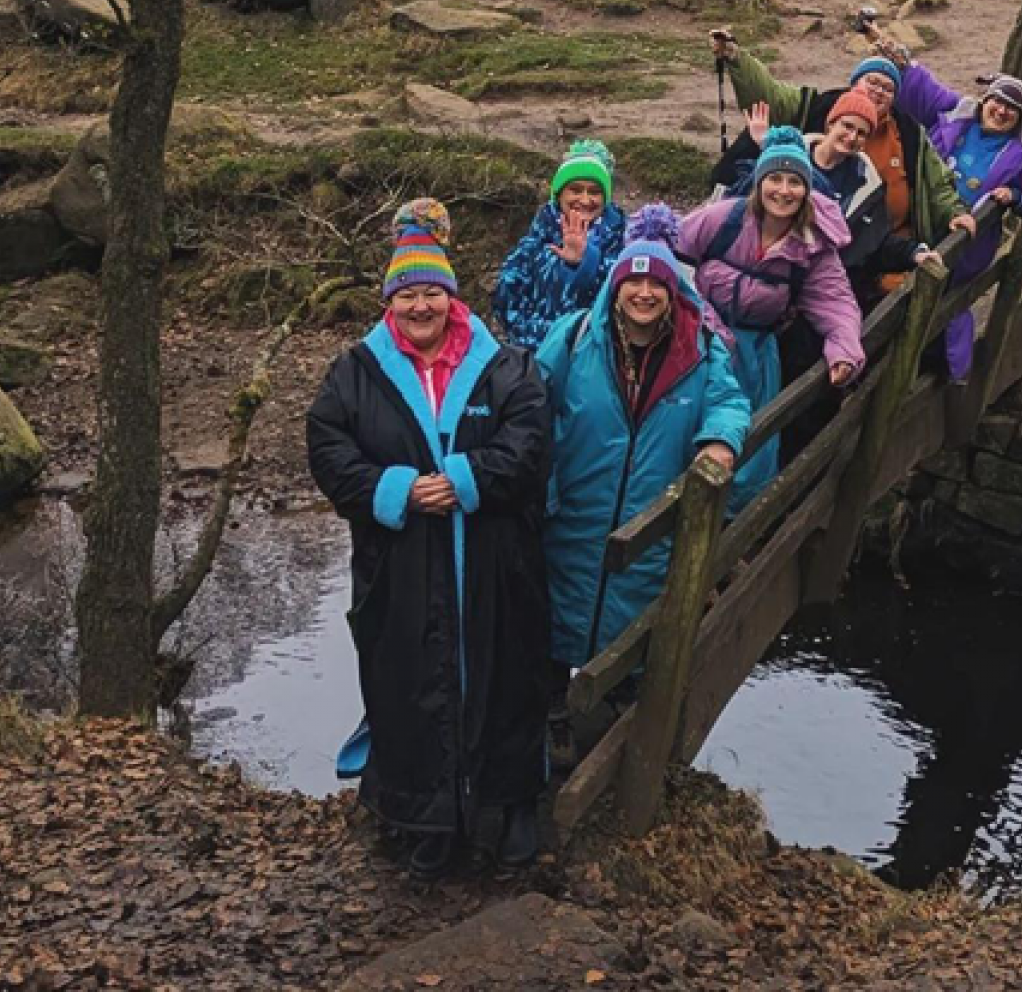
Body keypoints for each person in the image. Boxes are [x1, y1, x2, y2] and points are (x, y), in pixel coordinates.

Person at [307, 199, 550, 880]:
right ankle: (425, 818)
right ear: (391, 302)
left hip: (495, 566)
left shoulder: (505, 367)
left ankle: (508, 810)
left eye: (432, 294)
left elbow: (531, 441)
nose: (421, 307)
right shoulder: (355, 373)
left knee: (504, 681)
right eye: (408, 295)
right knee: (409, 688)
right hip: (400, 564)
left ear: (451, 297)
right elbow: (328, 448)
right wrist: (396, 492)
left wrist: (469, 478)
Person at [539, 205, 750, 677]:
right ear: (616, 286)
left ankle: (614, 704)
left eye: (657, 283)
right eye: (633, 282)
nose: (644, 292)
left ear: (673, 290)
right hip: (573, 517)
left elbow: (729, 403)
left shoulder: (701, 349)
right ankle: (554, 716)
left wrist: (719, 441)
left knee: (630, 629)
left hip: (650, 522)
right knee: (554, 627)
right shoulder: (574, 337)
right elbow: (530, 402)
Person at [679, 127, 864, 504]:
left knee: (749, 450)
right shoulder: (722, 219)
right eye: (774, 179)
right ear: (759, 183)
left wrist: (844, 350)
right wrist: (702, 321)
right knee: (685, 434)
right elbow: (671, 256)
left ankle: (732, 537)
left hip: (755, 358)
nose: (783, 190)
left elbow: (835, 302)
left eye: (794, 181)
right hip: (695, 343)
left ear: (807, 190)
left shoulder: (812, 245)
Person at [710, 31, 974, 288]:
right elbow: (771, 95)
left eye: (888, 88)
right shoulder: (819, 107)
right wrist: (737, 59)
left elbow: (938, 183)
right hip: (805, 243)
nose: (879, 91)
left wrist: (955, 213)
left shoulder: (909, 133)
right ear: (853, 84)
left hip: (882, 245)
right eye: (872, 81)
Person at [923, 74, 1022, 383]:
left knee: (946, 301)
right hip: (922, 226)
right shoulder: (955, 121)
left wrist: (1015, 196)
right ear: (985, 102)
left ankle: (951, 372)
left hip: (968, 246)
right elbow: (923, 86)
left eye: (1012, 108)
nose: (1001, 110)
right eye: (997, 101)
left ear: (1020, 118)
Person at [492, 138, 627, 350]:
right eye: (575, 189)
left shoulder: (621, 242)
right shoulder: (535, 242)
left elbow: (622, 299)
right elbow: (506, 296)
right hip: (535, 352)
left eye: (594, 191)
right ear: (559, 194)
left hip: (592, 357)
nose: (585, 200)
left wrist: (585, 261)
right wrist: (531, 338)